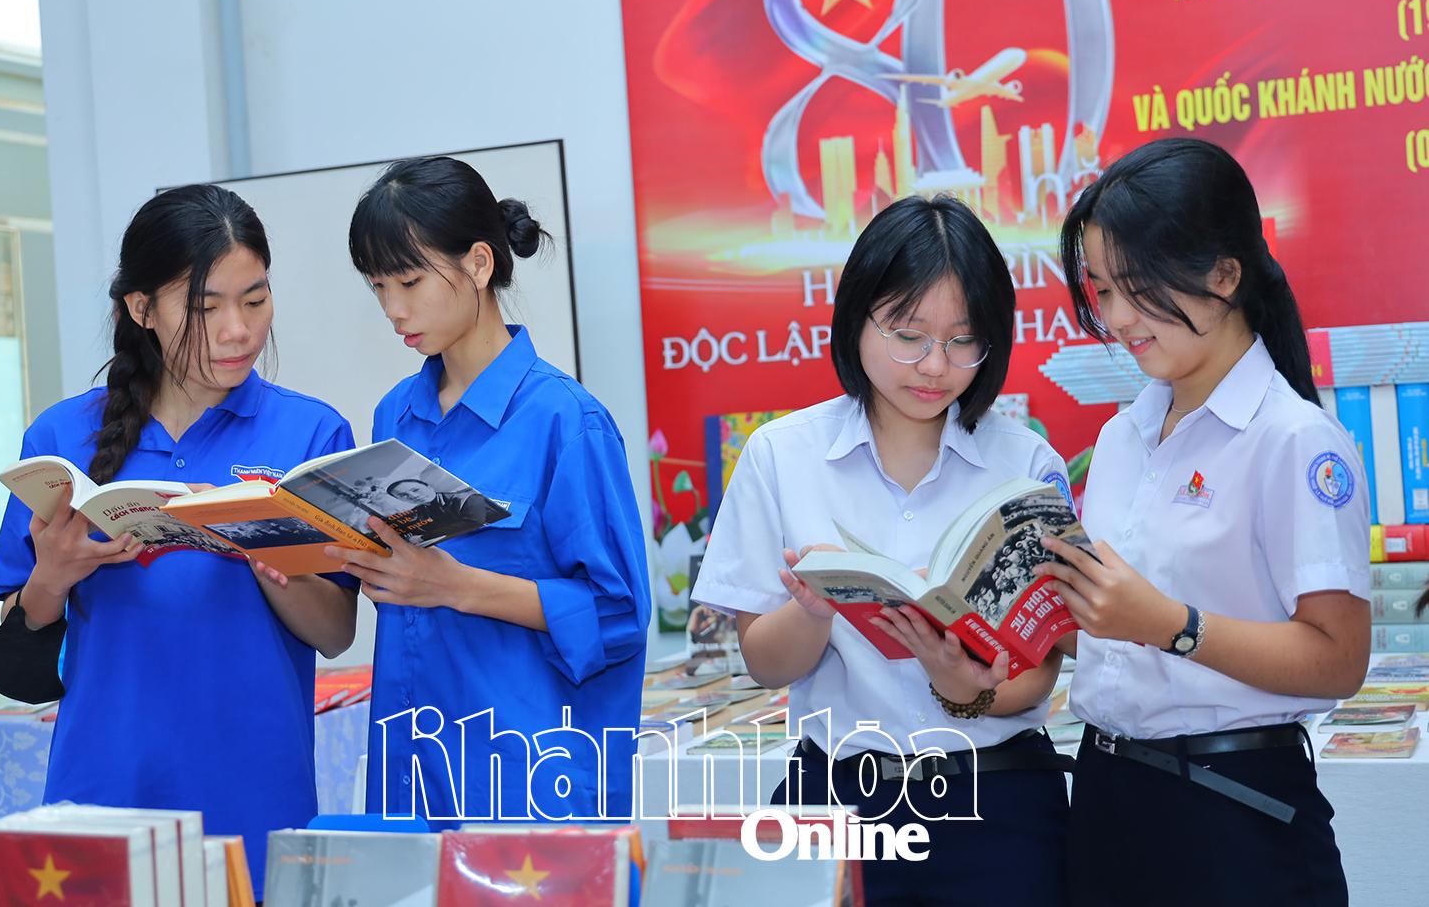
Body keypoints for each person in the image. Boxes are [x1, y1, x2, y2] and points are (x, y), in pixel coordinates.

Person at [693, 195, 1073, 906]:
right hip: (837, 800)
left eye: (964, 340)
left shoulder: (1027, 465)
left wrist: (966, 688)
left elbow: (1042, 669)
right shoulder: (783, 456)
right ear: (856, 319)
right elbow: (763, 662)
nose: (935, 365)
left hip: (996, 802)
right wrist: (811, 612)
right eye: (907, 334)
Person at [0, 184, 359, 888]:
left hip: (257, 792)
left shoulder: (312, 434)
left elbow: (336, 631)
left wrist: (265, 554)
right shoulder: (63, 438)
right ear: (140, 309)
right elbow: (20, 648)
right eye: (205, 307)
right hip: (102, 793)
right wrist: (52, 575)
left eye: (255, 299)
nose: (238, 330)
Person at [1036, 137, 1369, 905]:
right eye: (1101, 290)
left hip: (1233, 809)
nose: (1117, 318)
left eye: (1136, 287)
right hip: (1107, 794)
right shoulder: (1124, 436)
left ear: (1225, 274)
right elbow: (1116, 629)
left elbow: (1338, 660)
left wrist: (1170, 624)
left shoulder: (1293, 438)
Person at [326, 156, 650, 825]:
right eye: (377, 287)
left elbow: (618, 616)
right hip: (412, 770)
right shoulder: (395, 415)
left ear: (478, 263)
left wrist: (452, 584)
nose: (393, 310)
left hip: (525, 780)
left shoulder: (566, 420)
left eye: (409, 281)